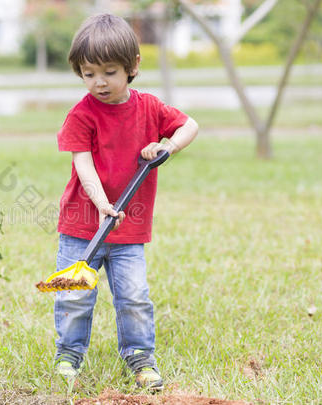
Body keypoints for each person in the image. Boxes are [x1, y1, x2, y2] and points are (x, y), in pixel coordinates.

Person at [53, 13, 198, 392]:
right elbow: (82, 163)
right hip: (83, 225)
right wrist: (102, 204)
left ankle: (139, 357)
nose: (98, 82)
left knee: (133, 297)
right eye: (88, 74)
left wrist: (167, 147)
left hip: (129, 229)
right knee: (75, 294)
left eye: (109, 72)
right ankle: (68, 355)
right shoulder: (82, 114)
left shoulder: (149, 108)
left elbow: (190, 125)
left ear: (133, 67)